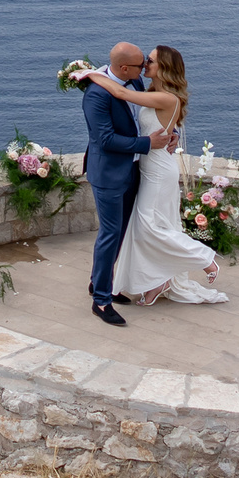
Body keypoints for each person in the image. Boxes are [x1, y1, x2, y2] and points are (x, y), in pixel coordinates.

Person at [83, 46, 225, 306]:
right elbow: (146, 117)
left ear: (165, 68)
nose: (145, 63)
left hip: (158, 171)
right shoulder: (148, 88)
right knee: (148, 227)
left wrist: (87, 73)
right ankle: (158, 281)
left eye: (151, 60)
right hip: (146, 168)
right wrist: (170, 132)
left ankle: (206, 259)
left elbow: (119, 91)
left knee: (150, 226)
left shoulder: (167, 98)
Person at [75, 41, 178, 326]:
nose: (145, 66)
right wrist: (148, 143)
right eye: (140, 63)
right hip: (108, 175)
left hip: (133, 170)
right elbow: (105, 139)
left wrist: (171, 133)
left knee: (120, 234)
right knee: (110, 235)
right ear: (123, 68)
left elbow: (147, 115)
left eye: (147, 61)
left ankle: (99, 284)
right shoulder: (97, 95)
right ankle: (101, 301)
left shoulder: (131, 85)